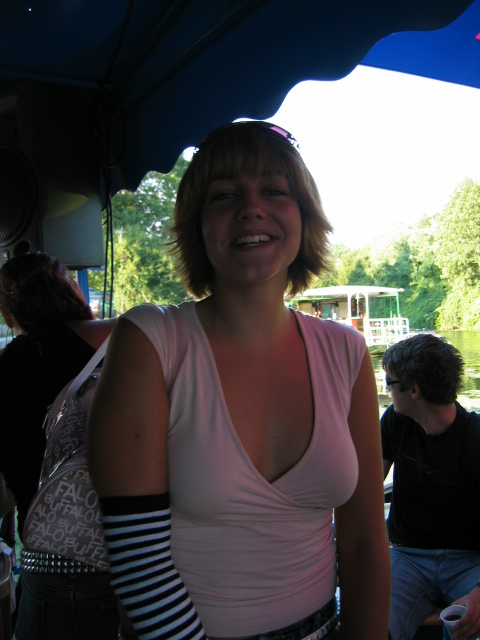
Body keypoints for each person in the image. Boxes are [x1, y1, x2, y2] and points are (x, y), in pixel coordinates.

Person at [87, 120, 390, 640]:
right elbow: (138, 562)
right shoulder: (152, 342)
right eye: (224, 195)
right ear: (198, 226)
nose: (251, 208)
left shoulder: (347, 352)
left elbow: (364, 538)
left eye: (274, 190)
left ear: (304, 217)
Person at [0, 251, 119, 639]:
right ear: (69, 288)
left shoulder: (7, 366)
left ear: (8, 310)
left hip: (43, 568)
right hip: (126, 557)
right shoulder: (118, 337)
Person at [381, 333, 480, 640]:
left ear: (414, 390)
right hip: (407, 556)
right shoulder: (395, 422)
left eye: (389, 382)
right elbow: (366, 488)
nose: (386, 390)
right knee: (374, 623)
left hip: (469, 559)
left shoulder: (475, 438)